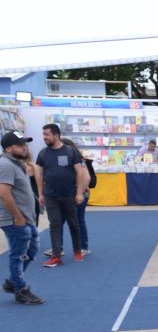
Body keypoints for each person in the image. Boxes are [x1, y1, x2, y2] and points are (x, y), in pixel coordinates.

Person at [35, 123, 87, 267]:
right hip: (50, 196)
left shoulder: (71, 151)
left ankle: (77, 251)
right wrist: (40, 193)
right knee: (55, 225)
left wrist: (79, 193)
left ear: (56, 135)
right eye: (43, 134)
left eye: (47, 134)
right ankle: (56, 256)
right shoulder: (43, 153)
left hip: (69, 195)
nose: (44, 137)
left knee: (73, 223)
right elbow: (39, 174)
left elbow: (80, 172)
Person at [0, 131, 43, 304]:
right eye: (20, 144)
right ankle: (20, 289)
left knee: (31, 250)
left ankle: (13, 282)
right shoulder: (5, 165)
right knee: (19, 255)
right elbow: (4, 193)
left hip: (24, 218)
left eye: (25, 144)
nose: (25, 147)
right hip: (15, 220)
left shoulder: (17, 163)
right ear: (9, 148)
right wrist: (18, 217)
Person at [61, 138, 94, 256]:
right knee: (62, 220)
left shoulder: (78, 159)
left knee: (79, 220)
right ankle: (58, 248)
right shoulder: (70, 158)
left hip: (79, 194)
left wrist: (79, 192)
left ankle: (83, 246)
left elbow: (87, 178)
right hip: (70, 194)